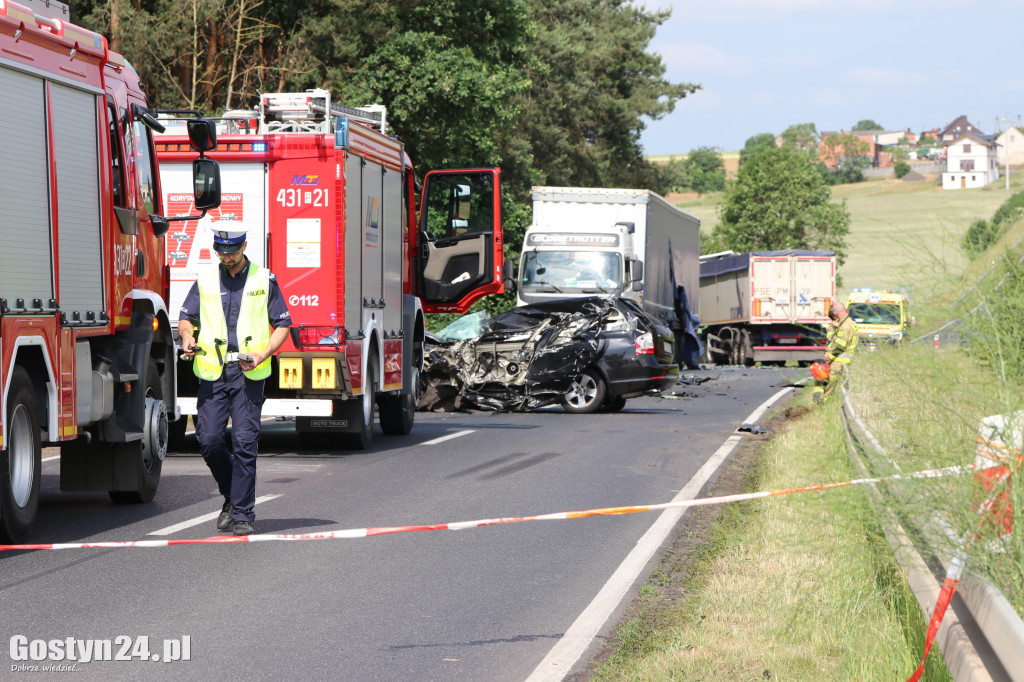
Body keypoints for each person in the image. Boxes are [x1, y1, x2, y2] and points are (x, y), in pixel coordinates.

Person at [178, 230, 291, 535]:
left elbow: (283, 324)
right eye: (221, 252)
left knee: (244, 442)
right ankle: (231, 494)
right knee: (209, 440)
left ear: (243, 246)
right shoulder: (206, 278)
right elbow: (187, 317)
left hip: (248, 372)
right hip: (212, 371)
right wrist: (187, 336)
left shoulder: (263, 279)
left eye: (231, 252)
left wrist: (263, 353)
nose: (226, 258)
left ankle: (242, 513)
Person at [813, 300, 858, 404]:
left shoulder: (845, 326)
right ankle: (823, 401)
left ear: (835, 313)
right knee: (826, 380)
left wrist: (830, 356)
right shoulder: (845, 323)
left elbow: (840, 345)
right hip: (840, 359)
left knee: (831, 383)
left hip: (840, 360)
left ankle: (823, 404)